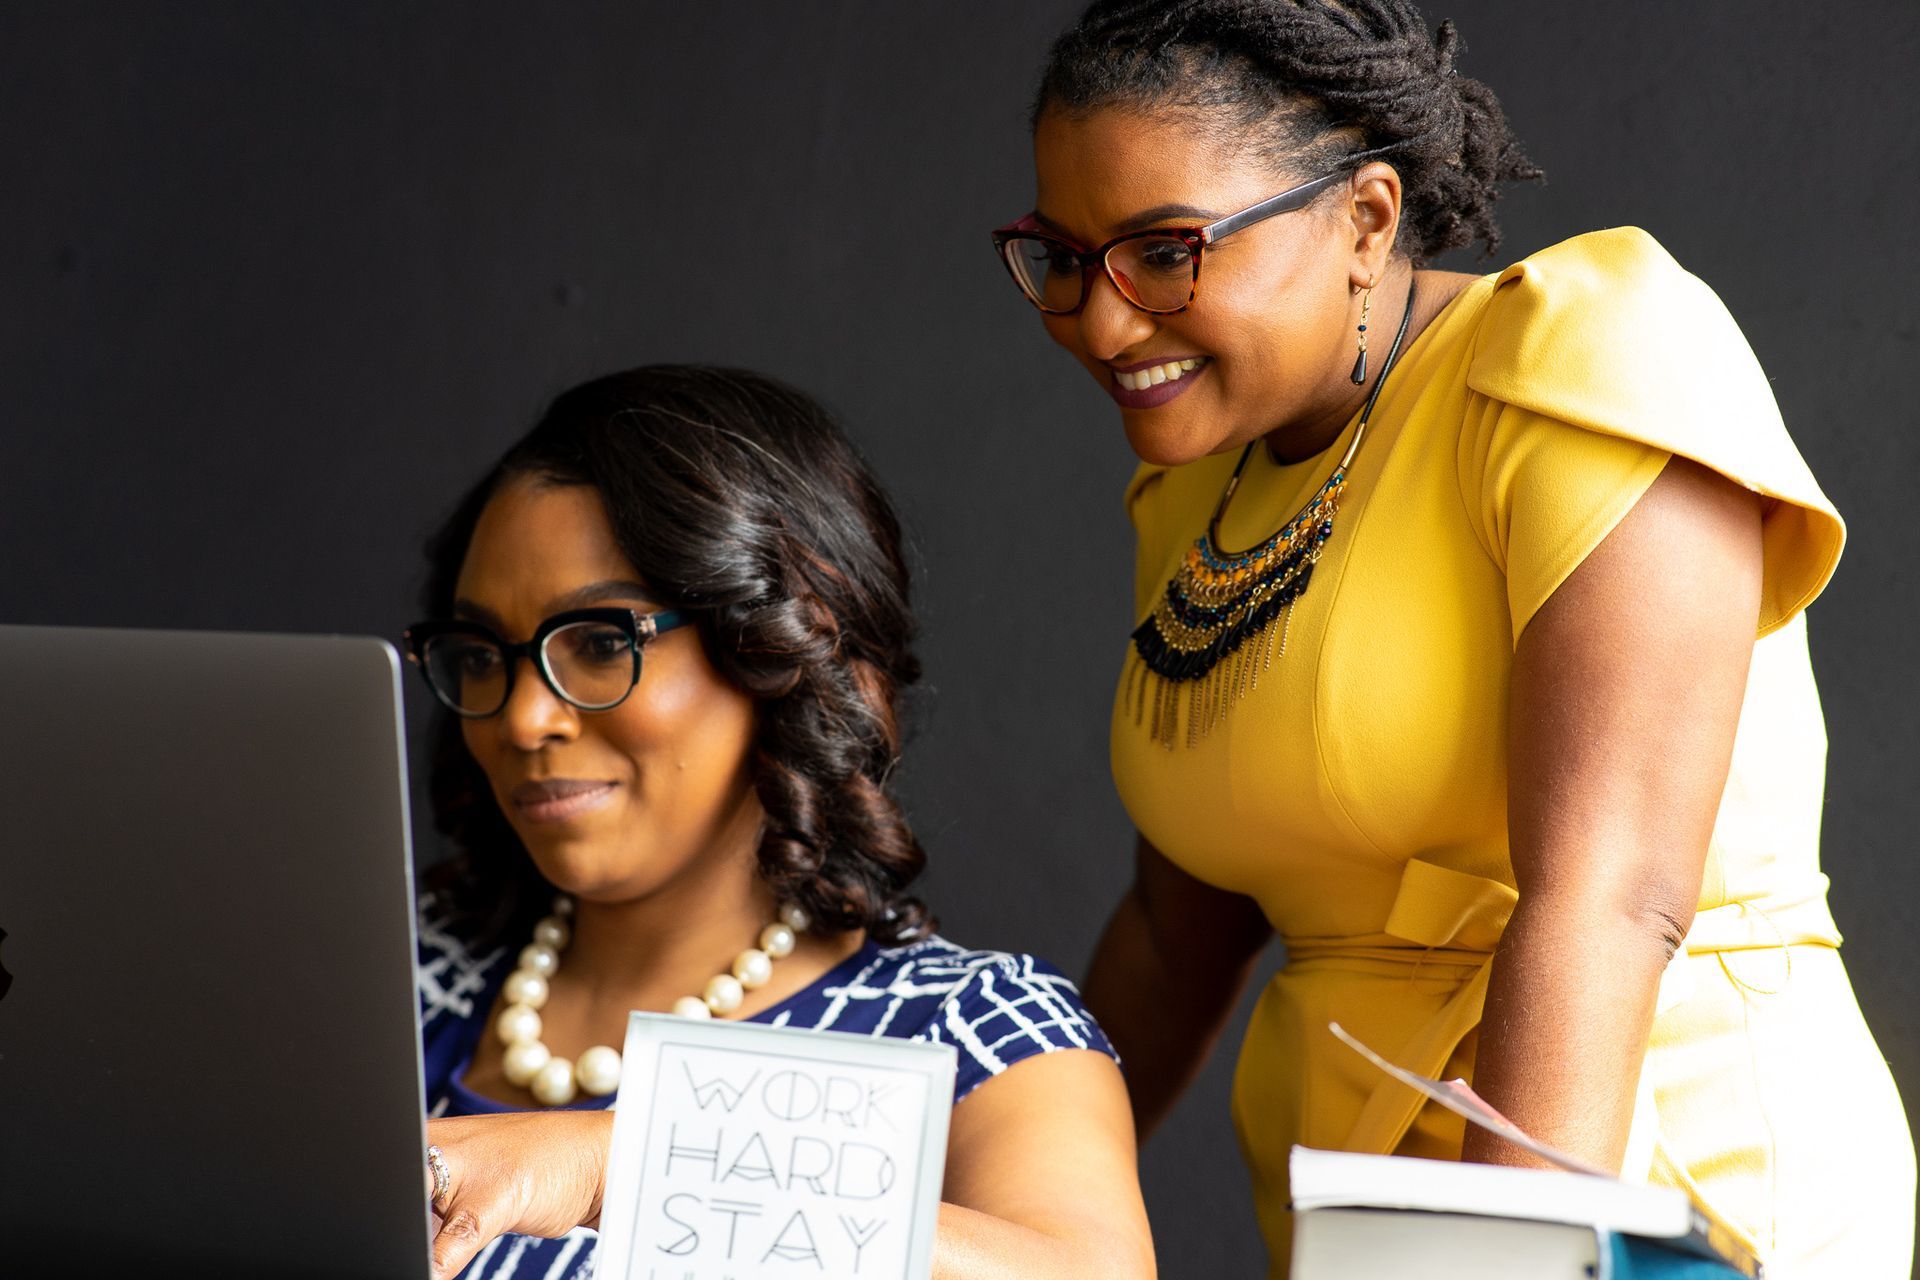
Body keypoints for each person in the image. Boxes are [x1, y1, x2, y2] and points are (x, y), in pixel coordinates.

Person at [987, 1, 1915, 1275]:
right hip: (1369, 1207)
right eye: (1065, 258)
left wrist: (1501, 1256)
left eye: (1164, 250)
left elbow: (1613, 895)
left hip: (1642, 1189)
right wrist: (974, 1193)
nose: (1101, 321)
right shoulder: (1197, 484)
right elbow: (1173, 931)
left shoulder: (1585, 353)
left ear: (1367, 217)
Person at [405, 365, 1154, 1280]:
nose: (522, 718)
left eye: (601, 643)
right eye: (484, 654)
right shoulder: (395, 987)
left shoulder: (970, 1033)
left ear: (785, 649)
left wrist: (619, 1168)